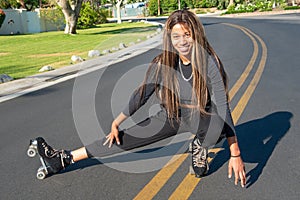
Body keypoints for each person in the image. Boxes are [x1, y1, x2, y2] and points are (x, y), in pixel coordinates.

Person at [35, 9, 246, 187]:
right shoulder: (163, 62)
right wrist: (117, 121)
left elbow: (224, 106)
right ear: (170, 39)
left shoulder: (209, 62)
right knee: (120, 138)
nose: (182, 41)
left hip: (201, 116)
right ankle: (64, 159)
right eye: (176, 36)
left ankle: (200, 144)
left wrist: (235, 154)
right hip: (172, 114)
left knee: (216, 126)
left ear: (196, 35)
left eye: (187, 34)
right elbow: (143, 93)